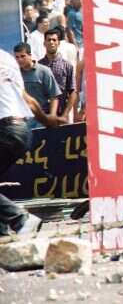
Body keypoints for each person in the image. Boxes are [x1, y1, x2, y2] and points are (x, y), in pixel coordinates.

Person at [0, 49, 43, 236]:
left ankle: (20, 219)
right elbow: (29, 100)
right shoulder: (6, 58)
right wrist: (48, 119)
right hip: (21, 129)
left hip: (5, 128)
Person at [12, 42, 62, 129]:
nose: (19, 59)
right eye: (17, 57)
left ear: (30, 55)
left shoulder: (44, 71)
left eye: (22, 56)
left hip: (41, 118)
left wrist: (52, 116)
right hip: (23, 120)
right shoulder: (15, 74)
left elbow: (54, 96)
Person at [38, 28, 76, 123]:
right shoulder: (38, 66)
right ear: (44, 43)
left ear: (58, 43)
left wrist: (65, 115)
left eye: (54, 40)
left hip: (61, 115)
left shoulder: (67, 65)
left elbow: (73, 92)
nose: (51, 42)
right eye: (49, 40)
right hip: (42, 117)